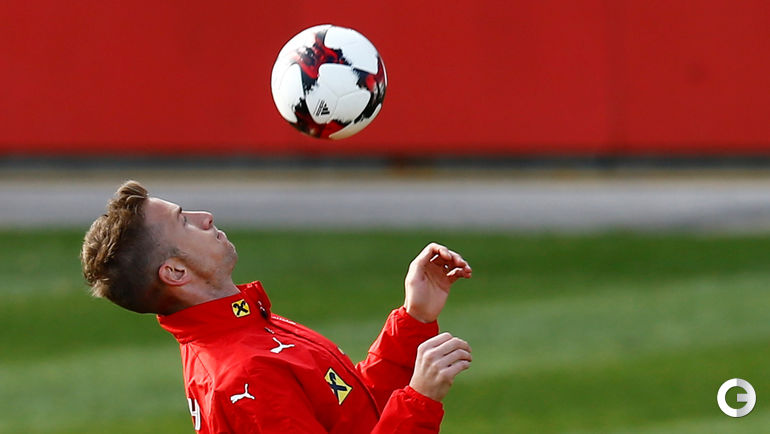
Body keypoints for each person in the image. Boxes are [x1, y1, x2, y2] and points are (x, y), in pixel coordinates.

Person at [80, 180, 473, 433]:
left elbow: (347, 413)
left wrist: (413, 319)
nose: (206, 217)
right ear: (176, 272)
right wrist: (418, 402)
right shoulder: (246, 377)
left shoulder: (243, 331)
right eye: (184, 221)